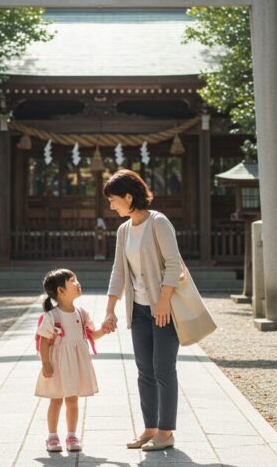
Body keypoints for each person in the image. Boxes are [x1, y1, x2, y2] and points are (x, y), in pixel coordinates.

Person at [101, 169, 182, 451]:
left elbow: (174, 264)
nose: (111, 206)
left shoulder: (158, 222)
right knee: (144, 370)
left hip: (164, 309)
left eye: (113, 200)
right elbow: (119, 272)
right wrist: (110, 309)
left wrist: (163, 300)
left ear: (128, 196)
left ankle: (166, 431)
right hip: (138, 310)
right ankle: (150, 427)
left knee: (163, 369)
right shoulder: (124, 230)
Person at [35, 268, 109, 453]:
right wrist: (46, 363)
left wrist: (104, 329)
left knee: (73, 399)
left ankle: (71, 434)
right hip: (58, 363)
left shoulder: (81, 313)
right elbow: (44, 340)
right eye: (73, 281)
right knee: (56, 399)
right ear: (61, 291)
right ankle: (52, 436)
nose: (78, 283)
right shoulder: (52, 316)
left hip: (75, 362)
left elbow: (91, 335)